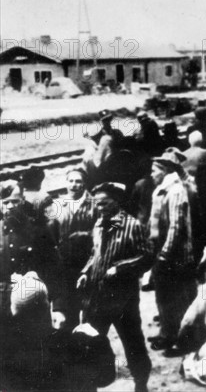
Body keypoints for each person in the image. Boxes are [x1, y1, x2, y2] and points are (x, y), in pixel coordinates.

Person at [77, 182, 153, 392]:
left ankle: (141, 383)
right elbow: (95, 254)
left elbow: (146, 256)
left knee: (133, 343)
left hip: (123, 299)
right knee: (90, 341)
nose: (99, 207)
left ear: (116, 202)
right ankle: (91, 384)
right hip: (97, 296)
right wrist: (85, 272)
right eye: (97, 204)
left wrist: (119, 269)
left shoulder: (132, 225)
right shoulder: (99, 224)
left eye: (104, 203)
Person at [147, 152, 197, 353]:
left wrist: (164, 254)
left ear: (165, 171)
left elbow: (176, 227)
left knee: (177, 299)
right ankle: (167, 334)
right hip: (164, 252)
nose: (151, 175)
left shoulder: (176, 191)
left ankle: (181, 340)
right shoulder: (162, 189)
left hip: (176, 256)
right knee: (163, 295)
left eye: (154, 171)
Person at [50, 168, 98, 331]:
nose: (74, 185)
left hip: (89, 261)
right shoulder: (58, 204)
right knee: (69, 304)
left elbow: (104, 230)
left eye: (78, 181)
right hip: (66, 262)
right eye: (71, 181)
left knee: (89, 305)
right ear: (66, 183)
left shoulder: (95, 204)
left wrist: (85, 234)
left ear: (84, 183)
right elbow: (52, 233)